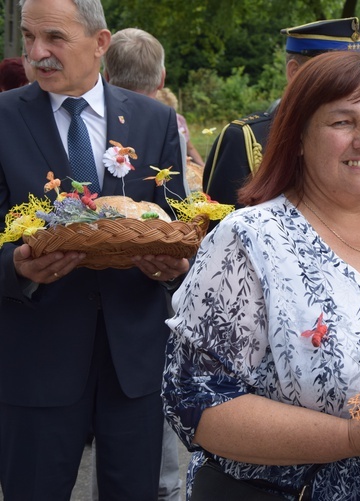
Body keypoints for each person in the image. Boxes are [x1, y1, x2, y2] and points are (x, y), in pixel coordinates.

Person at [163, 51, 360, 500]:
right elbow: (197, 404)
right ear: (296, 137)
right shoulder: (250, 241)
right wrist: (352, 438)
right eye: (342, 122)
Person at [0, 1, 189, 500]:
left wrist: (173, 268)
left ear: (100, 43)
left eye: (54, 39)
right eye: (28, 37)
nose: (36, 54)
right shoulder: (3, 120)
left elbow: (178, 224)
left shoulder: (155, 122)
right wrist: (16, 267)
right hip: (36, 361)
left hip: (134, 364)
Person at [101, 27, 186, 501]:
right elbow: (180, 217)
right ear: (163, 76)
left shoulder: (163, 124)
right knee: (153, 467)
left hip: (138, 316)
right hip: (134, 312)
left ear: (106, 72)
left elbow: (172, 219)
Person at [202, 17, 360, 208]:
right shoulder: (245, 139)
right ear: (294, 72)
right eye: (334, 74)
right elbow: (219, 229)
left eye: (354, 73)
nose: (351, 84)